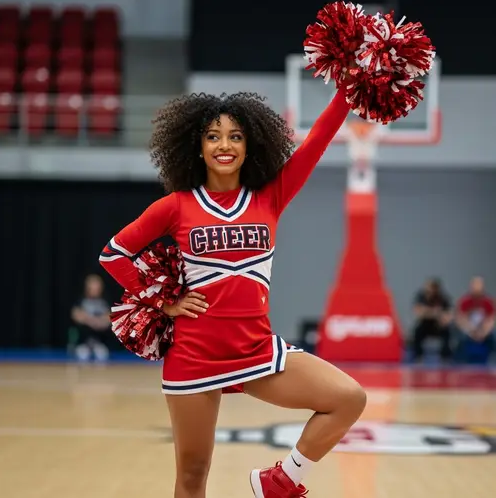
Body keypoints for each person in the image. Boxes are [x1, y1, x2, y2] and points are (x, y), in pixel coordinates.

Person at [99, 87, 367, 498]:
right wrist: (163, 302)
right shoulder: (176, 206)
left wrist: (348, 89)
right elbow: (114, 254)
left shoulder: (271, 196)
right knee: (192, 475)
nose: (224, 145)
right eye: (213, 136)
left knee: (348, 398)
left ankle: (281, 480)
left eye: (236, 136)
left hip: (256, 350)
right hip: (194, 357)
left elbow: (317, 140)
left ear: (250, 145)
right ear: (198, 146)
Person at [71, 274, 112, 362]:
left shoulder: (104, 302)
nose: (95, 289)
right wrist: (91, 321)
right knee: (83, 355)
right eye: (92, 286)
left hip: (100, 341)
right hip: (83, 341)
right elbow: (76, 315)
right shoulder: (81, 301)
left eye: (97, 286)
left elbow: (109, 318)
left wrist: (100, 322)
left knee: (102, 355)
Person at [454, 276, 495, 364]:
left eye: (479, 286)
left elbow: (491, 319)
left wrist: (483, 332)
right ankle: (459, 363)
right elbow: (461, 319)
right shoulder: (464, 301)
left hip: (483, 331)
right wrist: (471, 331)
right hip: (468, 331)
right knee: (459, 337)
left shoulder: (488, 302)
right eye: (475, 286)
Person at [411, 278, 453, 362]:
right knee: (417, 331)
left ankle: (445, 357)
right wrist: (435, 313)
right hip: (425, 325)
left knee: (447, 332)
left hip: (438, 326)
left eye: (433, 288)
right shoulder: (421, 297)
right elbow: (418, 312)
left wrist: (429, 313)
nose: (430, 291)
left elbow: (448, 316)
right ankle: (418, 356)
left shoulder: (443, 298)